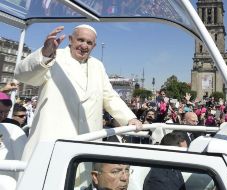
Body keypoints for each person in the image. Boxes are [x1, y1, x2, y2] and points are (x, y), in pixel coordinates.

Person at [14, 24, 142, 161]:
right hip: (52, 141)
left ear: (94, 46)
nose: (84, 45)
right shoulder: (54, 56)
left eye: (89, 42)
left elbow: (109, 96)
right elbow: (22, 75)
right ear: (70, 39)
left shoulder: (97, 65)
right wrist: (45, 54)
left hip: (88, 141)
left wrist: (129, 118)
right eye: (80, 40)